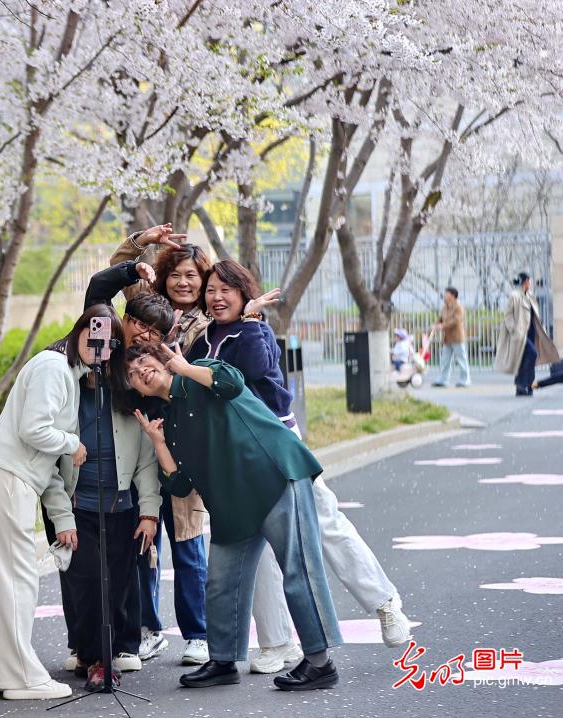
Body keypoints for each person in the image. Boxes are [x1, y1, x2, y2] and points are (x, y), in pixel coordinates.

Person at [190, 259, 411, 674]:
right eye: (211, 290)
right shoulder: (203, 339)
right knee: (253, 544)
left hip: (278, 446)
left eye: (226, 290)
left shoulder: (255, 331)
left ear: (243, 293)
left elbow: (253, 370)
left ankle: (385, 603)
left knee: (325, 524)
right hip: (236, 457)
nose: (216, 298)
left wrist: (251, 320)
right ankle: (277, 643)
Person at [127, 343, 343, 691]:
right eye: (133, 374)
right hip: (231, 505)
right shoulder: (169, 422)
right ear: (137, 390)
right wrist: (159, 443)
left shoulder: (199, 372)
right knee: (221, 583)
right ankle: (223, 661)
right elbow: (180, 485)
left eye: (143, 361)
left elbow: (232, 383)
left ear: (161, 359)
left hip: (272, 477)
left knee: (297, 570)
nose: (141, 370)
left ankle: (320, 663)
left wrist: (184, 368)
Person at [0, 308, 104, 700]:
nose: (100, 345)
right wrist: (72, 444)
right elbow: (34, 429)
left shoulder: (65, 370)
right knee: (19, 579)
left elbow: (41, 447)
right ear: (79, 330)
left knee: (1, 581)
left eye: (109, 341)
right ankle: (21, 677)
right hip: (10, 477)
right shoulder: (54, 367)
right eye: (94, 334)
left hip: (6, 475)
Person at [95, 228, 217, 666]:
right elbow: (117, 270)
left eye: (192, 275)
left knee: (187, 540)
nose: (183, 282)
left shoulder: (209, 323)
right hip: (139, 437)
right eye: (176, 274)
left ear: (204, 282)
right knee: (143, 542)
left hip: (182, 442)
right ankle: (149, 629)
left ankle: (198, 634)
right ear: (164, 277)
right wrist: (139, 241)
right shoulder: (149, 308)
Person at [47, 272, 177, 677]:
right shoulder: (65, 379)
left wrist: (149, 512)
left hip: (122, 501)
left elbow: (145, 462)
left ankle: (121, 645)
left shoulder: (134, 385)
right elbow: (98, 294)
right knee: (83, 579)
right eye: (94, 343)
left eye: (154, 332)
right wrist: (132, 266)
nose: (101, 352)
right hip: (76, 500)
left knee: (123, 577)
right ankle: (89, 652)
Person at [495, 272, 559, 396]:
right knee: (532, 354)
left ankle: (526, 386)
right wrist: (515, 331)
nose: (530, 283)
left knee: (526, 359)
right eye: (529, 281)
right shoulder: (514, 296)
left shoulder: (530, 295)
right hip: (520, 334)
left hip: (532, 332)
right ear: (525, 281)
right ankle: (522, 384)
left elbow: (535, 316)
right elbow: (508, 316)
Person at [433, 287, 471, 388]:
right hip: (447, 338)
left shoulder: (458, 307)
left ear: (453, 295)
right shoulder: (445, 306)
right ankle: (443, 380)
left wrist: (442, 326)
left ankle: (465, 380)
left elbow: (456, 321)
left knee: (461, 360)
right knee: (445, 360)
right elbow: (440, 318)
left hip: (457, 337)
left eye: (447, 293)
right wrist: (436, 325)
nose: (445, 295)